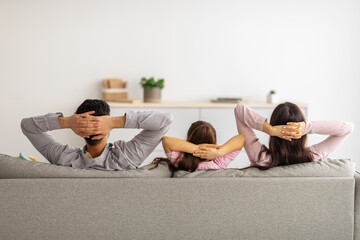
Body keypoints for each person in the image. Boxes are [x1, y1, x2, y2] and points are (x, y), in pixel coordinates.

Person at [21, 99, 173, 170]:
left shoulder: (63, 158)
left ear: (79, 132)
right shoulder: (126, 157)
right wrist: (114, 122)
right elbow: (165, 121)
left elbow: (27, 126)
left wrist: (66, 122)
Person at [233, 102, 354, 169]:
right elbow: (348, 128)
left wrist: (269, 129)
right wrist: (307, 127)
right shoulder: (313, 157)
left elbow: (239, 110)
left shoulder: (260, 158)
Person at [152, 120, 245, 172]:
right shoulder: (219, 162)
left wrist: (195, 148)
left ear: (188, 140)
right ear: (215, 142)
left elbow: (167, 141)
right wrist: (219, 152)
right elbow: (242, 138)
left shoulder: (181, 160)